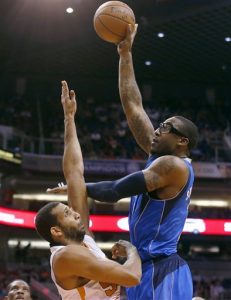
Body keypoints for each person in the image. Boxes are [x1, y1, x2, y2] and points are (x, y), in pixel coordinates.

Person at [48, 26, 199, 299]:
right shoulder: (162, 159)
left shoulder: (173, 168)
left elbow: (114, 191)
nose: (157, 129)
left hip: (159, 267)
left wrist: (80, 187)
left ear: (182, 141)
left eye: (165, 127)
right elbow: (133, 105)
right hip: (147, 266)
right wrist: (125, 53)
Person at [35, 81, 141, 300]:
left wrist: (69, 118)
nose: (74, 212)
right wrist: (132, 250)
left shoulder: (84, 241)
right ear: (56, 231)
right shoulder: (65, 256)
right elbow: (131, 276)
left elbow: (74, 173)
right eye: (67, 213)